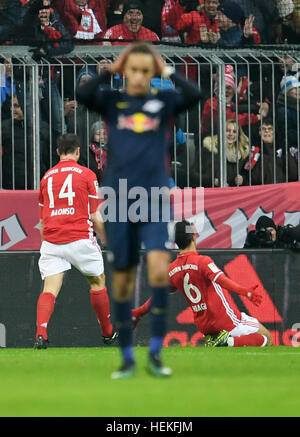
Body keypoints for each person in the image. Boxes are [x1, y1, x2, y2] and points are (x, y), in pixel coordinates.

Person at [76, 42, 201, 378]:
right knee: (123, 279)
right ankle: (128, 356)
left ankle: (156, 354)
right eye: (134, 70)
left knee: (159, 270)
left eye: (147, 71)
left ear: (153, 73)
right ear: (125, 70)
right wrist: (111, 70)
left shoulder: (163, 102)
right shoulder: (112, 101)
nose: (139, 76)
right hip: (119, 199)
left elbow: (195, 94)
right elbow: (83, 92)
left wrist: (168, 70)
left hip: (153, 197)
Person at [34, 133, 118, 349]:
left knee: (49, 289)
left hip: (52, 241)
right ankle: (108, 333)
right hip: (80, 238)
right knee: (97, 283)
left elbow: (42, 221)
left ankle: (41, 332)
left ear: (57, 152)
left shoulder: (46, 177)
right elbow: (95, 215)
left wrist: (49, 242)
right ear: (79, 151)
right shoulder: (87, 175)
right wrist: (104, 237)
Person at [133, 220, 273, 347]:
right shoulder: (202, 261)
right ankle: (227, 341)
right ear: (193, 237)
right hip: (227, 320)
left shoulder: (172, 269)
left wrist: (138, 312)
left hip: (205, 326)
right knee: (267, 338)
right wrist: (245, 291)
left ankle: (222, 341)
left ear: (176, 242)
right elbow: (222, 280)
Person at [201, 118, 249, 187]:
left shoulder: (243, 153)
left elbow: (249, 177)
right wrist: (212, 181)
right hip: (212, 193)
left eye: (234, 131)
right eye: (228, 131)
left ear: (238, 135)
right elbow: (195, 175)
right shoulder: (209, 149)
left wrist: (242, 179)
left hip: (233, 195)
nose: (231, 134)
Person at [241, 117, 285, 186]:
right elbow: (249, 177)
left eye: (270, 129)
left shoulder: (283, 152)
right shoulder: (254, 152)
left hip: (280, 191)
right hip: (262, 193)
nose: (267, 131)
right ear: (259, 132)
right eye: (263, 129)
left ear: (274, 132)